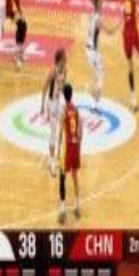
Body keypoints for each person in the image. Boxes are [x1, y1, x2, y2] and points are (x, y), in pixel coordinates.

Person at [86, 0, 118, 109]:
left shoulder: (92, 14)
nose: (103, 3)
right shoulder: (98, 20)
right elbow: (110, 32)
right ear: (98, 4)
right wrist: (119, 23)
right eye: (101, 2)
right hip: (93, 52)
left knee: (98, 76)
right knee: (101, 76)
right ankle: (94, 99)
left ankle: (95, 100)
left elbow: (98, 1)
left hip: (88, 49)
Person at [57, 83, 82, 225]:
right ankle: (77, 205)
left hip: (66, 148)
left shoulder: (63, 111)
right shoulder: (76, 110)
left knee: (62, 176)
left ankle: (62, 209)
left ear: (63, 95)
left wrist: (58, 149)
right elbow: (79, 131)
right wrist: (79, 146)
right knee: (75, 176)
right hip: (75, 145)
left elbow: (61, 132)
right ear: (71, 95)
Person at [41, 48, 67, 176]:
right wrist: (42, 106)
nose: (66, 58)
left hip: (58, 102)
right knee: (53, 133)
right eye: (64, 57)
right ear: (60, 59)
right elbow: (44, 88)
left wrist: (66, 103)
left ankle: (55, 157)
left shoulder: (65, 70)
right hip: (51, 104)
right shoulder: (53, 71)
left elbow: (62, 88)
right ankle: (52, 163)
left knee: (60, 132)